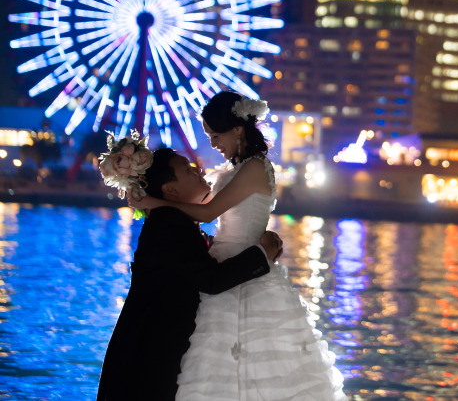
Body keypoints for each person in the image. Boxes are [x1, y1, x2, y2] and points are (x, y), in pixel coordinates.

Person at [131, 91, 347, 401]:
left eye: (215, 134)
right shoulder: (235, 169)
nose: (213, 142)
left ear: (237, 129)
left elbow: (207, 213)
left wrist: (155, 202)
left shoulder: (255, 167)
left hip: (244, 269)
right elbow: (196, 203)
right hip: (225, 265)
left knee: (255, 362)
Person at [97, 147, 283, 401]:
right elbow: (211, 279)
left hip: (146, 351)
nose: (196, 170)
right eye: (186, 169)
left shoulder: (173, 222)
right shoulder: (170, 224)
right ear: (171, 190)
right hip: (148, 358)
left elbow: (191, 263)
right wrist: (261, 254)